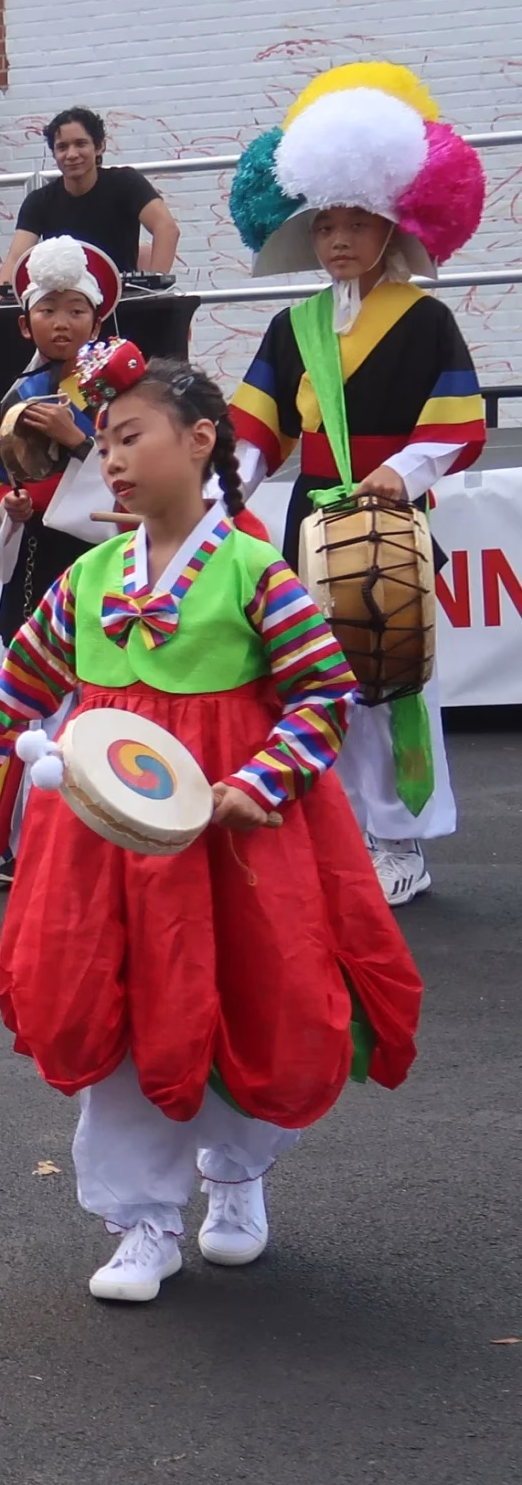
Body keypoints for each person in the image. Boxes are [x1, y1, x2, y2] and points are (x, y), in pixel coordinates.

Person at [0, 350, 421, 1303]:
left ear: (199, 443)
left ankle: (235, 1185)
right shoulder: (90, 575)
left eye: (128, 437)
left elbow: (321, 694)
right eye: (101, 443)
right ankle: (142, 1223)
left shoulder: (253, 571)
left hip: (233, 838)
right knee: (115, 1007)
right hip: (104, 839)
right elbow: (21, 681)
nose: (108, 459)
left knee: (242, 996)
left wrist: (257, 783)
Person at [225, 62, 487, 906]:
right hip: (311, 524)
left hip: (391, 523)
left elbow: (457, 426)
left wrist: (399, 475)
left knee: (396, 678)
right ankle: (336, 839)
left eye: (356, 222)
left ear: (391, 224)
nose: (338, 238)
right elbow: (255, 431)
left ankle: (401, 840)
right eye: (326, 223)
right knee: (317, 687)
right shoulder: (290, 325)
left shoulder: (427, 318)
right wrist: (214, 497)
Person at [0, 237, 122, 883]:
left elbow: (143, 464)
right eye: (50, 310)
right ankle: (23, 840)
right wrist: (10, 508)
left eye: (77, 310)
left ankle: (103, 828)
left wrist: (79, 440)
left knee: (102, 698)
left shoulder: (120, 384)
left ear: (98, 319)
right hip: (37, 563)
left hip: (107, 560)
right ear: (26, 321)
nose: (63, 322)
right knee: (30, 701)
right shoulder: (18, 391)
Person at [0, 107, 180, 298]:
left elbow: (166, 229)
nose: (71, 154)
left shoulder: (126, 182)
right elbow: (16, 259)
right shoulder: (39, 200)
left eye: (80, 144)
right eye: (62, 147)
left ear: (99, 146)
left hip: (120, 301)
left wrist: (153, 290)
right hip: (64, 307)